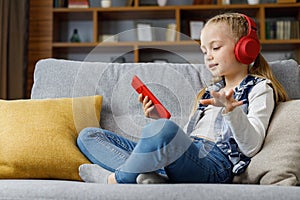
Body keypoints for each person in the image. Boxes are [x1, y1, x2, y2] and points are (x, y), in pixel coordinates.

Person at [76, 12, 288, 184]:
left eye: (215, 47)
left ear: (245, 48)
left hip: (215, 165)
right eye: (204, 51)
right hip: (186, 156)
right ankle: (151, 175)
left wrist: (232, 111)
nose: (208, 56)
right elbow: (184, 139)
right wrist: (158, 119)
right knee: (88, 135)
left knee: (163, 131)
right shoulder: (210, 90)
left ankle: (117, 180)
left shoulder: (260, 88)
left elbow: (251, 146)